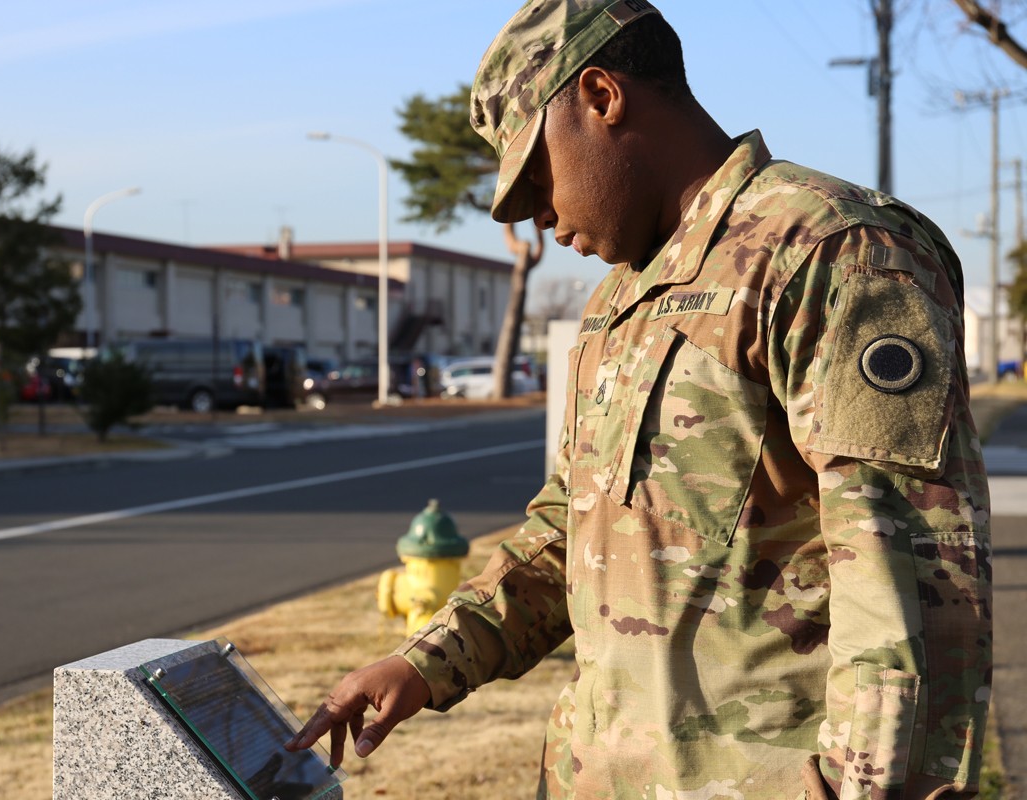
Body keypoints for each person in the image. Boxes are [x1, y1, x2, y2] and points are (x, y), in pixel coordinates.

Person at [287, 2, 992, 797]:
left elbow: (906, 578)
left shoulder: (828, 251)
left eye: (535, 177)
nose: (536, 217)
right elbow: (572, 530)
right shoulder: (618, 303)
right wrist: (427, 662)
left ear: (601, 96)